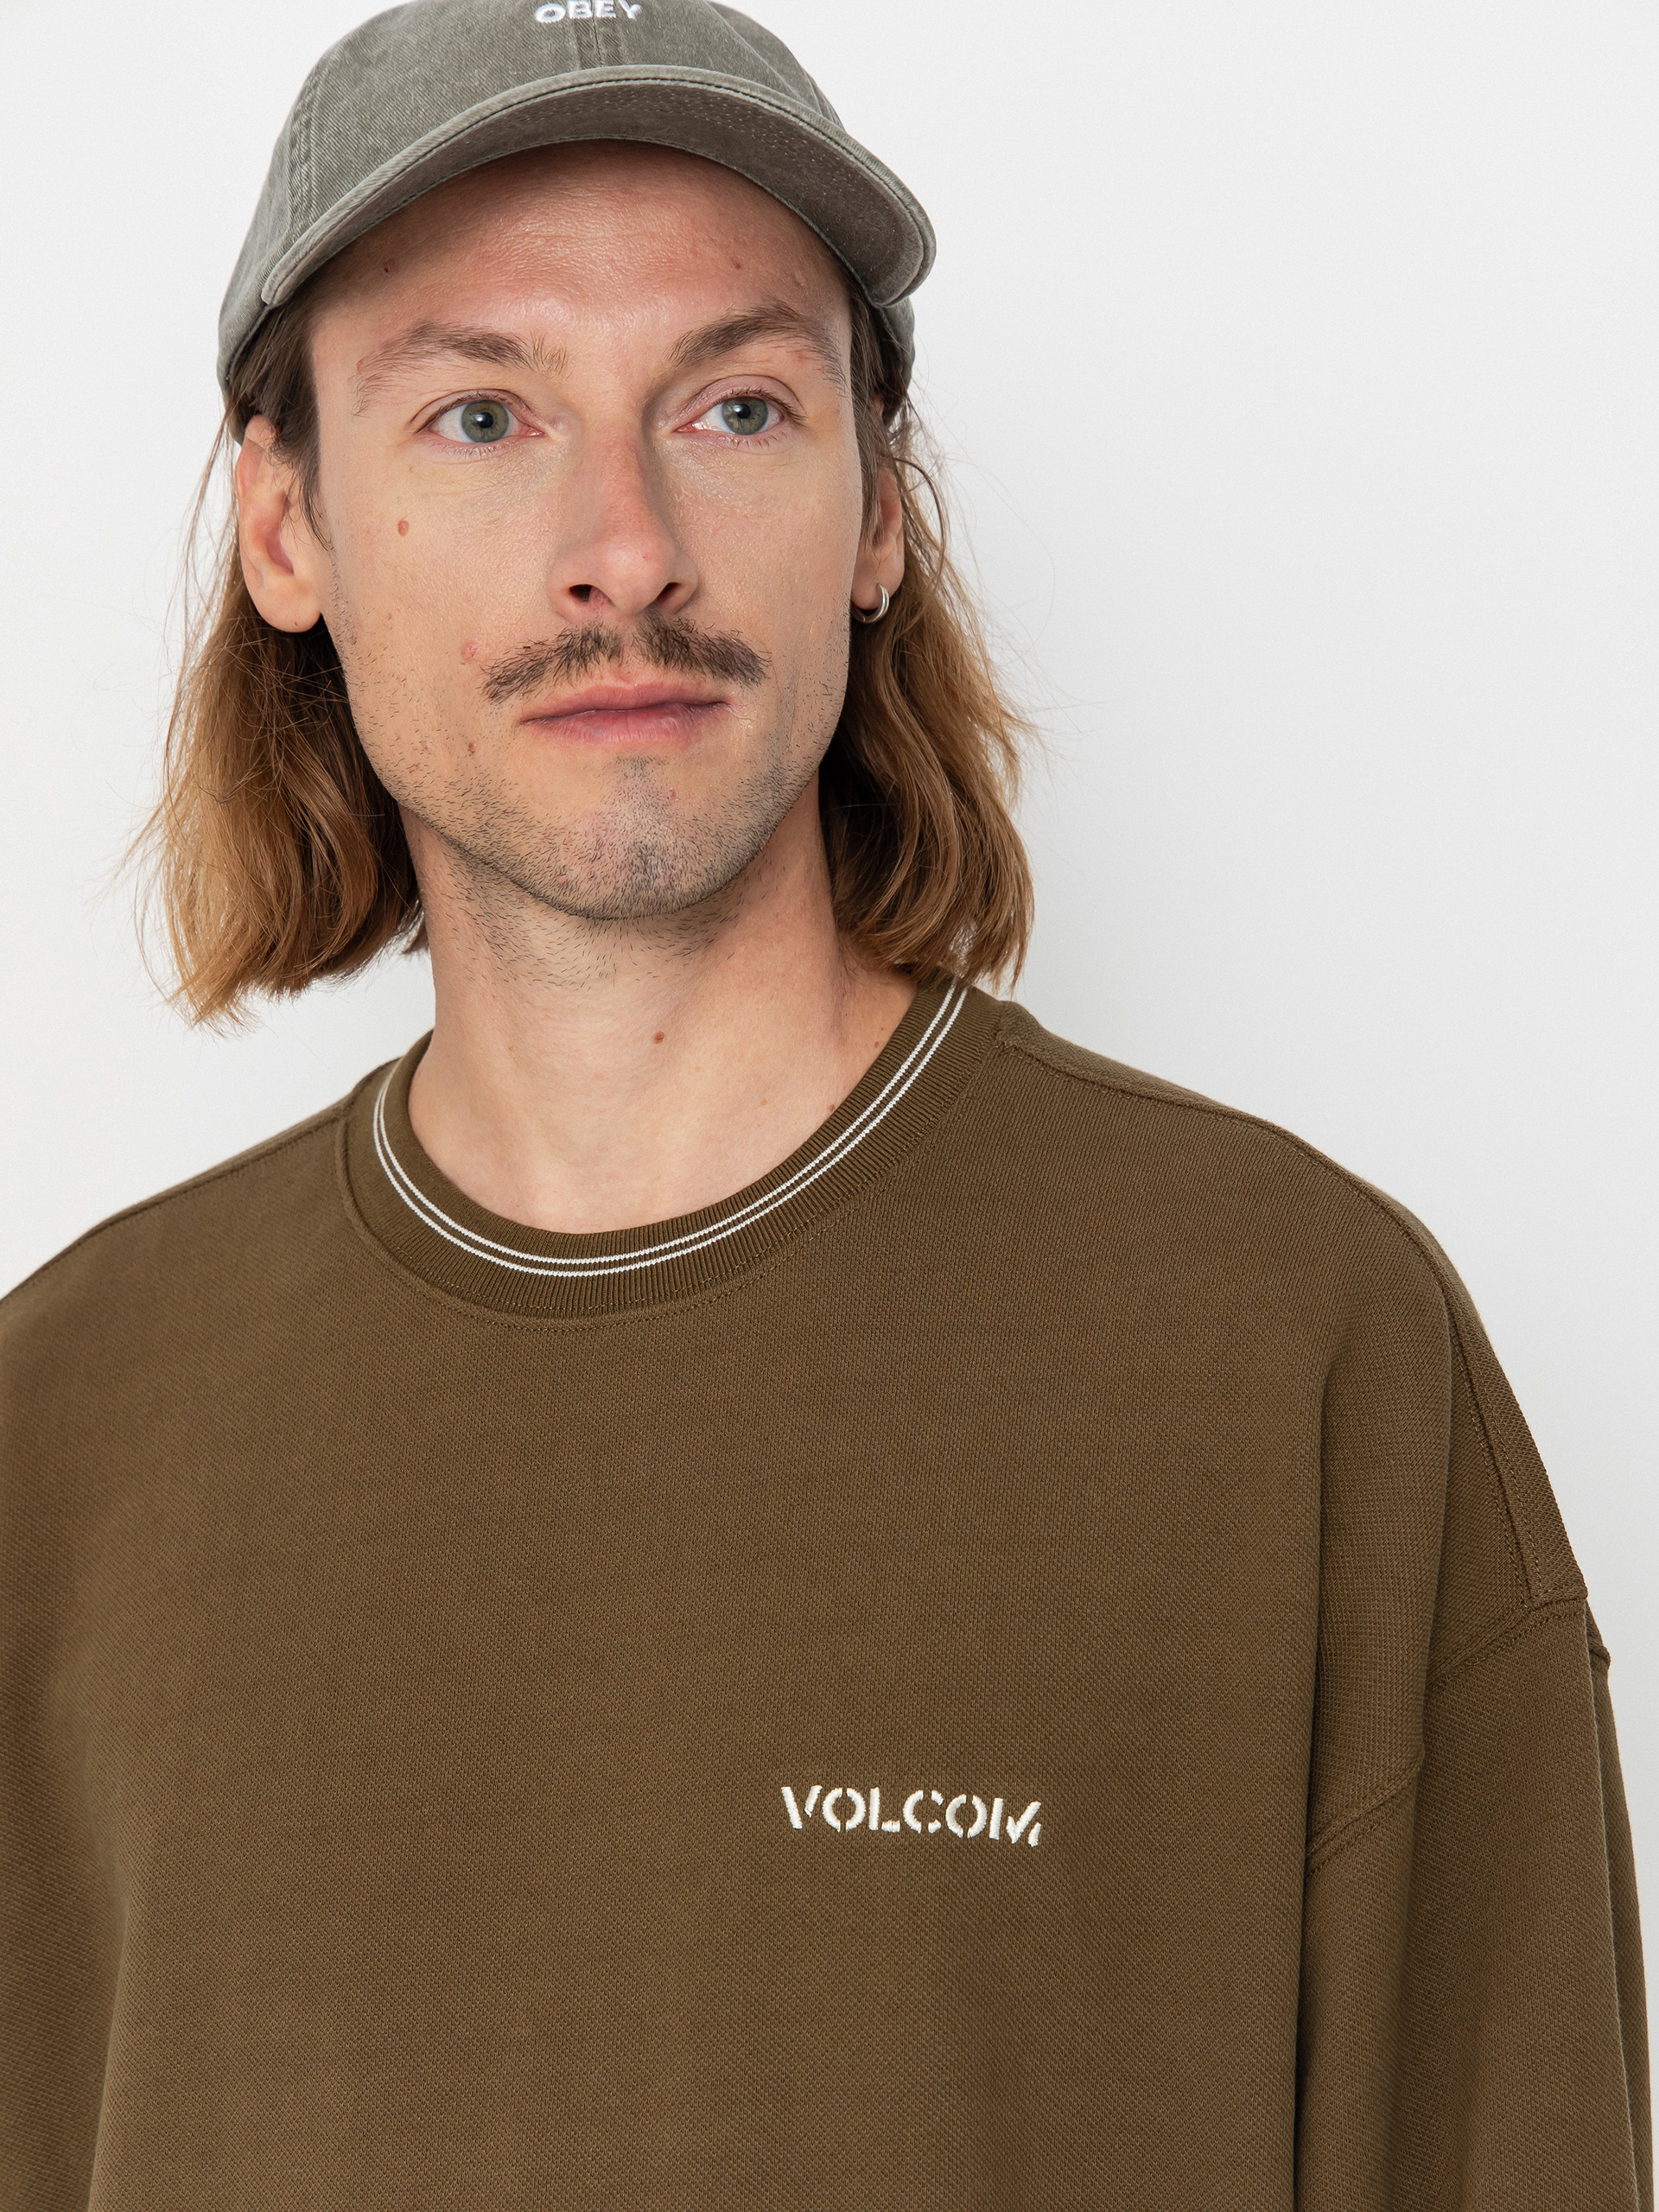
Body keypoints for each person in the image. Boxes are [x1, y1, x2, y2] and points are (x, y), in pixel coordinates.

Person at [0, 0, 1648, 2202]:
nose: (625, 548)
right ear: (286, 524)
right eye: (482, 413)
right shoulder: (59, 1440)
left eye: (736, 405)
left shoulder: (1297, 1349)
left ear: (878, 503)